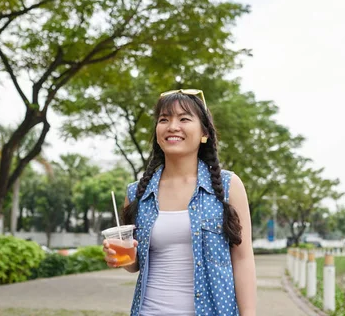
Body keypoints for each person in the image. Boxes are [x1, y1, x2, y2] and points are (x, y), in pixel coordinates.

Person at [103, 89, 257, 316]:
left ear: (204, 132)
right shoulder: (137, 192)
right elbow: (134, 265)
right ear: (157, 132)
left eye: (184, 119)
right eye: (164, 119)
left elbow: (243, 259)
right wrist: (118, 256)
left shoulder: (227, 186)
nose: (172, 126)